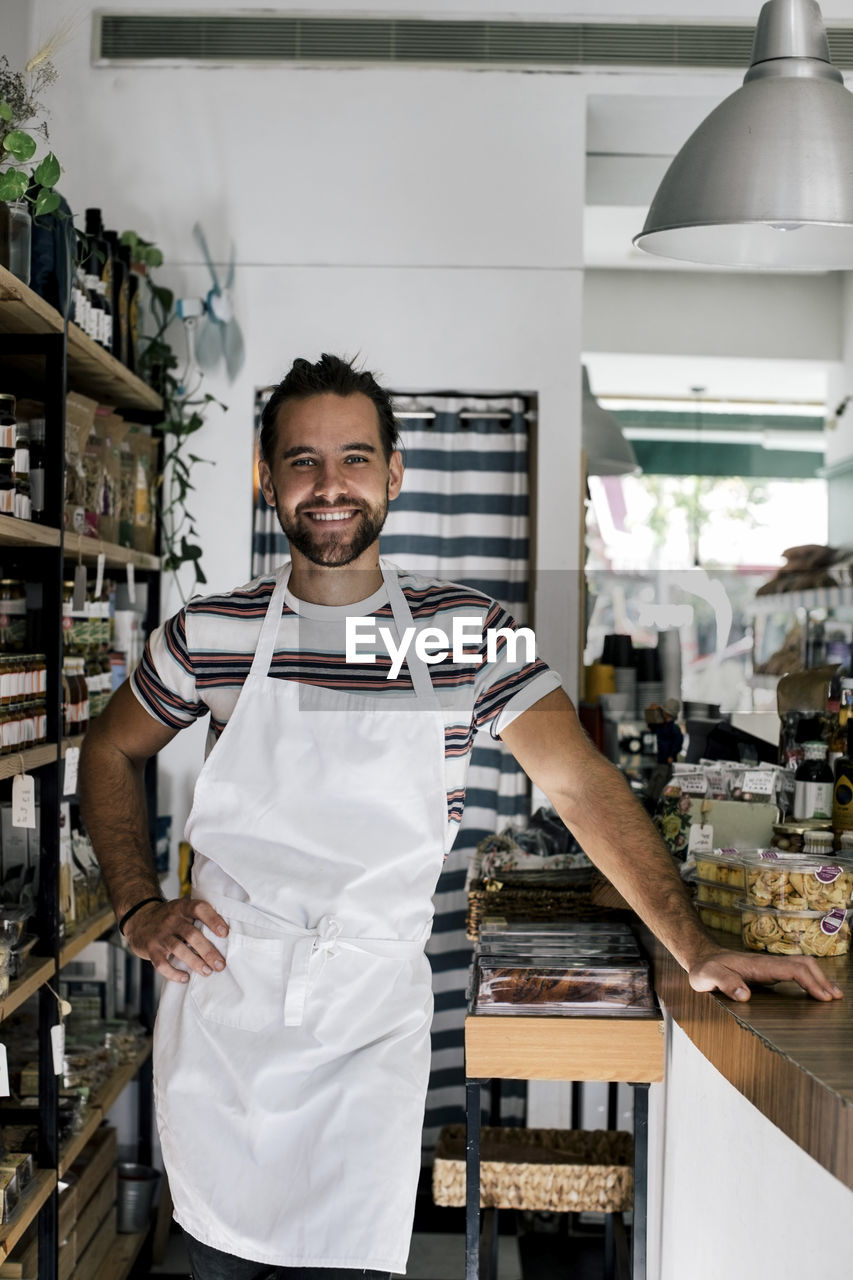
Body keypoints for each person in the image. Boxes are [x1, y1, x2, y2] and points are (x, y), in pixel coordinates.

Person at [79, 353, 842, 1280]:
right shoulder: (207, 631)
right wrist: (135, 904)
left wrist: (692, 947)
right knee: (219, 1261)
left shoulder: (471, 630)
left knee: (348, 1260)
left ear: (395, 473)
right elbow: (109, 750)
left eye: (355, 459)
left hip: (368, 1020)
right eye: (303, 461)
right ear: (265, 475)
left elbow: (581, 785)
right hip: (229, 1011)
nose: (330, 487)